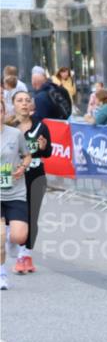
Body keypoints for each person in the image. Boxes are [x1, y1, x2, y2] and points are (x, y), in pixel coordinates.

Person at [9, 90, 52, 275]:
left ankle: (24, 255)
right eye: (20, 100)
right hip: (13, 175)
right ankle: (14, 245)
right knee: (13, 216)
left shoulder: (41, 127)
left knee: (31, 215)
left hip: (35, 175)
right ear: (14, 104)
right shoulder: (7, 126)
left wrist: (43, 148)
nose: (24, 104)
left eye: (27, 100)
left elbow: (48, 152)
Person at [0, 100, 33, 290]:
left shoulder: (15, 134)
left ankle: (13, 239)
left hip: (16, 191)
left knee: (20, 237)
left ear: (4, 112)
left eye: (0, 111)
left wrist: (22, 167)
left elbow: (27, 155)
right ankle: (2, 274)